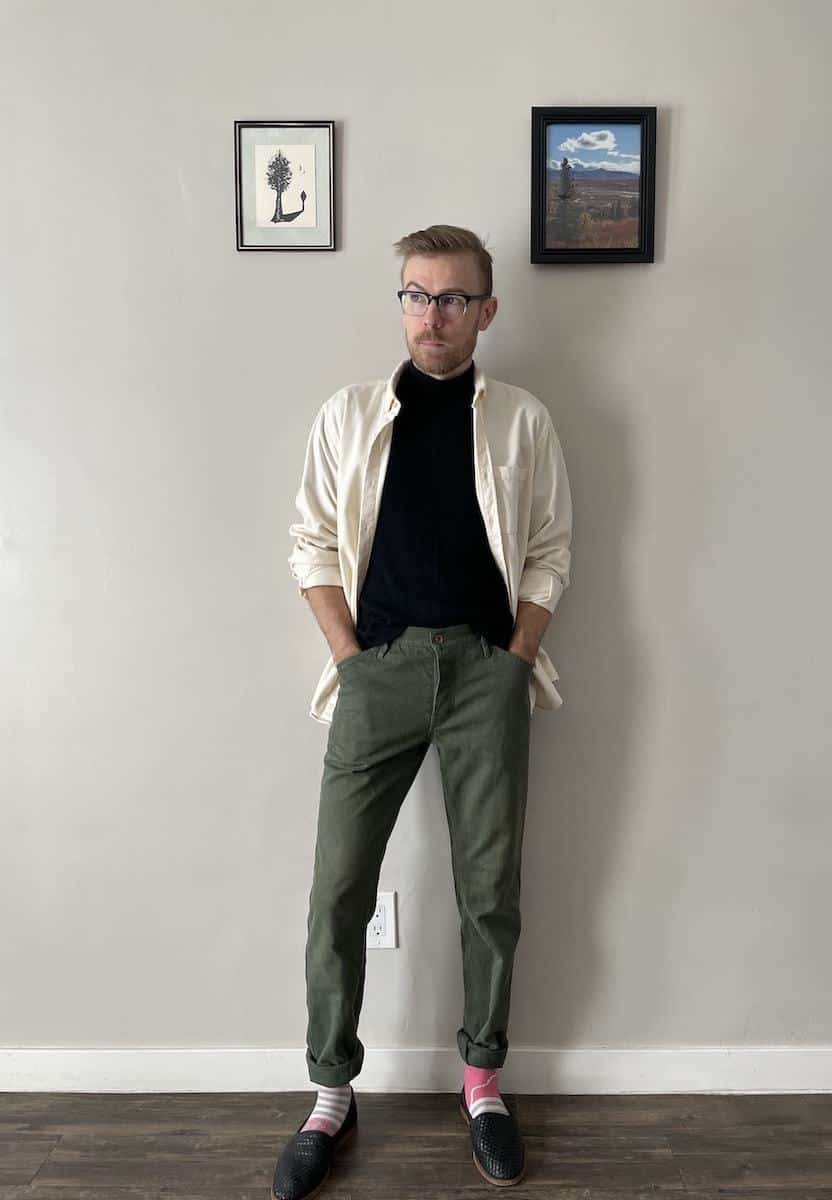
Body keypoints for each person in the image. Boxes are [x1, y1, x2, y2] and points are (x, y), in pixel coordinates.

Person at [273, 224, 574, 1199]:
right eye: (415, 295)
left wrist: (516, 659)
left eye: (451, 298)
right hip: (381, 672)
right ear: (400, 303)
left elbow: (550, 552)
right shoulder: (351, 415)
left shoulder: (522, 420)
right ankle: (330, 1093)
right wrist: (350, 661)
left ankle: (482, 1083)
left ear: (486, 310)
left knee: (490, 889)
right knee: (338, 888)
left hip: (488, 672)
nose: (431, 316)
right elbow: (312, 543)